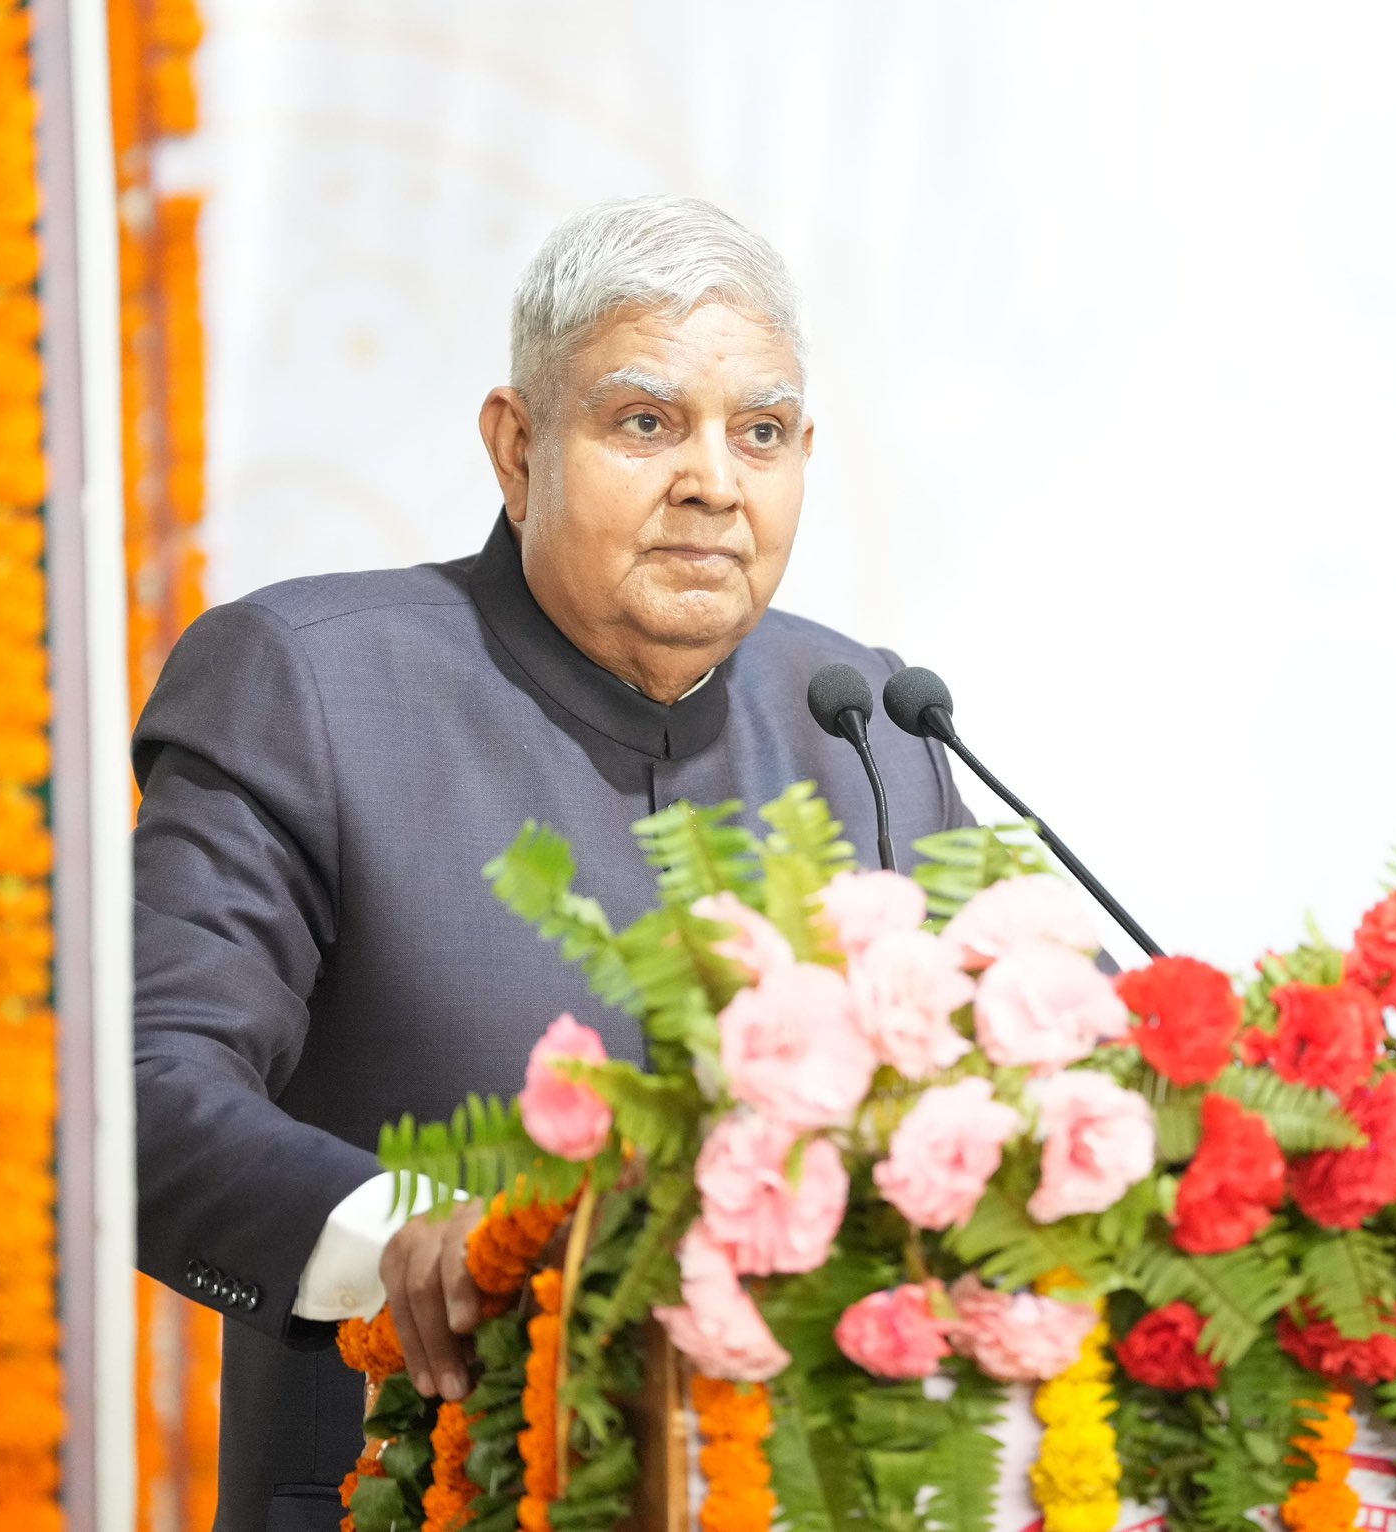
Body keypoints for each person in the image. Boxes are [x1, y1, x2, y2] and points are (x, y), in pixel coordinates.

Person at [132, 195, 973, 1530]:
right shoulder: (310, 685)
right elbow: (144, 1087)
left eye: (759, 433)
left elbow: (1026, 1084)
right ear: (517, 451)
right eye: (646, 423)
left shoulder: (863, 719)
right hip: (414, 1493)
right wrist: (401, 1238)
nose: (713, 478)